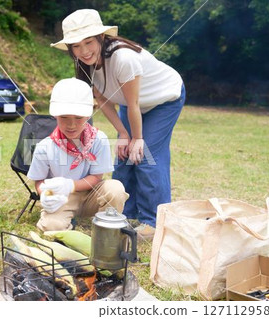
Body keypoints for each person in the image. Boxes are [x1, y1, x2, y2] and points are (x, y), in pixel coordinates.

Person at [51, 9, 186, 240]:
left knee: (146, 154)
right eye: (76, 45)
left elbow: (133, 104)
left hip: (163, 99)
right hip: (130, 104)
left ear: (101, 37)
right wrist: (123, 134)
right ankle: (125, 213)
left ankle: (153, 222)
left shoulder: (124, 58)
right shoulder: (85, 65)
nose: (83, 51)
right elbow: (103, 99)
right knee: (123, 154)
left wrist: (138, 138)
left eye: (88, 42)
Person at [27, 78, 129, 231]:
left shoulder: (98, 140)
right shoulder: (45, 147)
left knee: (116, 189)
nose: (71, 125)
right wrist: (45, 194)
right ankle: (66, 223)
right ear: (55, 116)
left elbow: (96, 178)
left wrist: (70, 185)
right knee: (51, 226)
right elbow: (39, 181)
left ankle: (105, 229)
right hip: (63, 198)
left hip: (92, 195)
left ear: (88, 115)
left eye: (78, 118)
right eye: (64, 118)